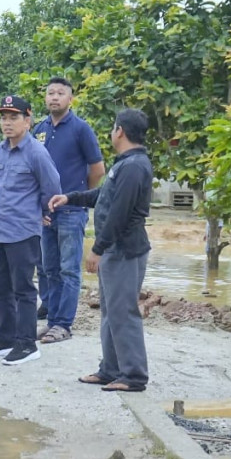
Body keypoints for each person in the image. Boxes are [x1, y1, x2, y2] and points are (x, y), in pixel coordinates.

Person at [49, 108, 153, 392]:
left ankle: (133, 376)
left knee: (124, 312)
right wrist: (70, 197)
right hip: (115, 251)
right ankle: (110, 370)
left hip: (125, 251)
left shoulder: (134, 167)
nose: (110, 133)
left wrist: (97, 249)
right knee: (110, 311)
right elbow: (103, 197)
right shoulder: (125, 163)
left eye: (112, 128)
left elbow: (119, 214)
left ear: (119, 131)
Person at [0, 96, 60, 366]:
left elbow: (52, 187)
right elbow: (0, 189)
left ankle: (26, 343)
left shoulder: (36, 152)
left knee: (23, 289)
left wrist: (45, 214)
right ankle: (5, 336)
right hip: (0, 229)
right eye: (3, 118)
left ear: (27, 120)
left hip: (23, 231)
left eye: (13, 117)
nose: (7, 123)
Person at [33, 77, 106, 343]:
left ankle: (64, 324)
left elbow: (97, 170)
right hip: (45, 211)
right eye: (50, 93)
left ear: (70, 99)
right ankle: (52, 320)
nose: (54, 97)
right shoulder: (39, 130)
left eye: (60, 93)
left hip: (71, 211)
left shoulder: (81, 129)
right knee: (48, 268)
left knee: (69, 269)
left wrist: (77, 197)